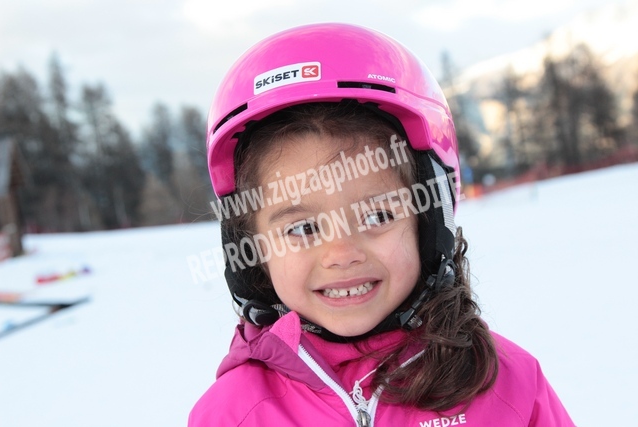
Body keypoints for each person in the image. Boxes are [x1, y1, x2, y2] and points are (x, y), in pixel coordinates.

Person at [189, 23, 574, 426]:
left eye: (377, 217)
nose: (341, 254)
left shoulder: (508, 386)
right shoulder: (231, 414)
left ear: (428, 223)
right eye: (302, 229)